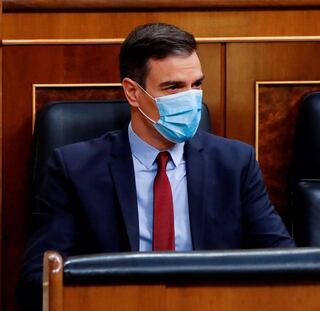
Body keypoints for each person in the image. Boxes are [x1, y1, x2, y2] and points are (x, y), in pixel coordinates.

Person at [17, 23, 295, 310]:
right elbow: (37, 283)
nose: (191, 99)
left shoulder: (235, 163)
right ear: (133, 93)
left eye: (196, 84)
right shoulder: (75, 169)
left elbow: (285, 264)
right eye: (173, 87)